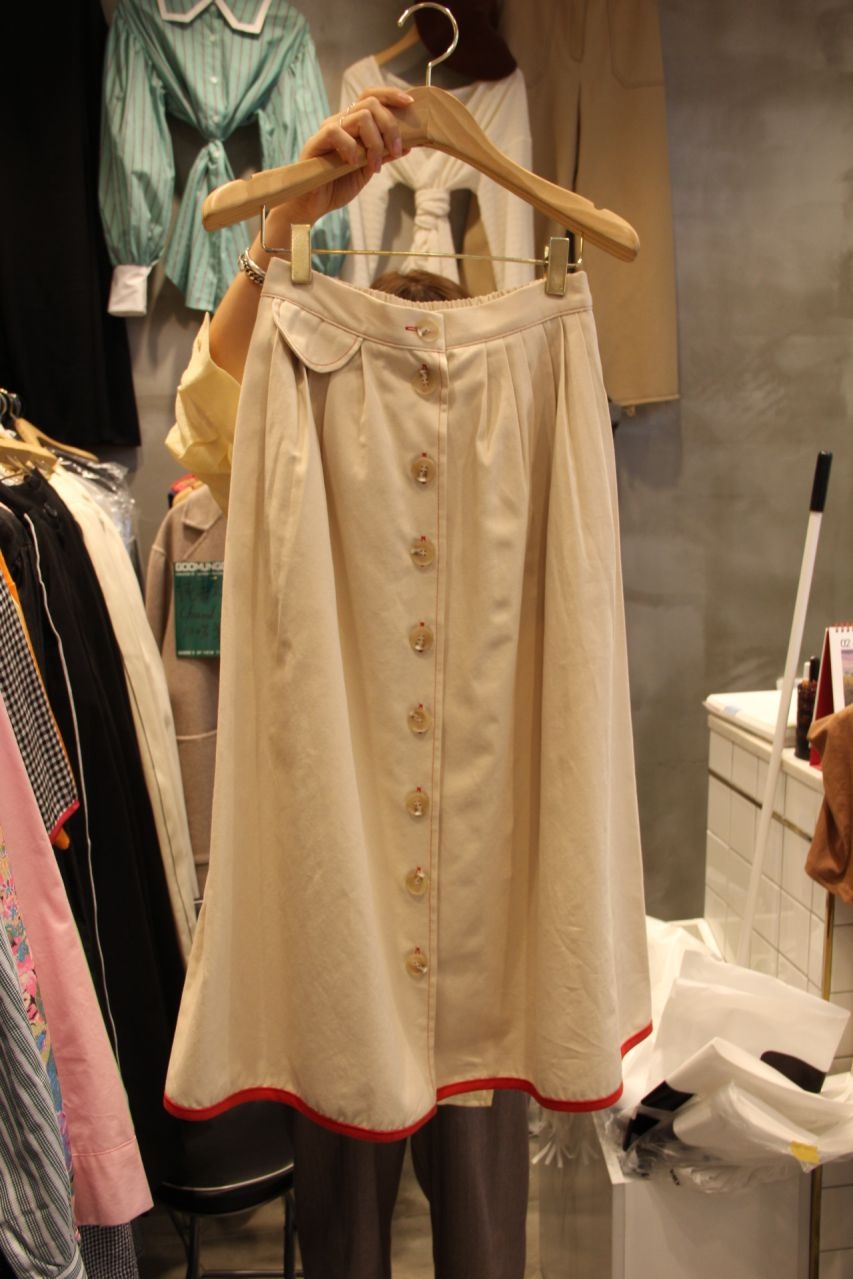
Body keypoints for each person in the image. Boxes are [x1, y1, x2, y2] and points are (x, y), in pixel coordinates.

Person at [167, 89, 532, 1279]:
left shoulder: (517, 435)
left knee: (482, 1214)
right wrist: (284, 235)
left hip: (480, 886)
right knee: (343, 1220)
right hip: (341, 878)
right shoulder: (305, 424)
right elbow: (209, 410)